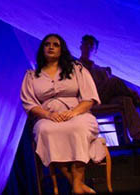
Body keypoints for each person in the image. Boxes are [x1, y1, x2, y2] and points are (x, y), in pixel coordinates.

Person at [20, 33, 105, 194]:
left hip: (77, 114)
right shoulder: (32, 76)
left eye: (55, 44)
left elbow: (90, 98)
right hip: (48, 117)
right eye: (47, 44)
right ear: (42, 49)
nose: (51, 47)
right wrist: (48, 115)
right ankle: (76, 185)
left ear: (62, 49)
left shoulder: (76, 69)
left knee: (79, 128)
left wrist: (73, 113)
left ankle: (77, 184)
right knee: (45, 131)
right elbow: (29, 103)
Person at [78, 35, 140, 144]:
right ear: (81, 47)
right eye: (86, 44)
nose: (88, 47)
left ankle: (138, 137)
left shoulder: (100, 70)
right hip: (89, 99)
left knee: (125, 100)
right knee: (114, 81)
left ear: (95, 51)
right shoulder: (76, 67)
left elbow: (113, 90)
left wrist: (131, 92)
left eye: (91, 46)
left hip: (104, 98)